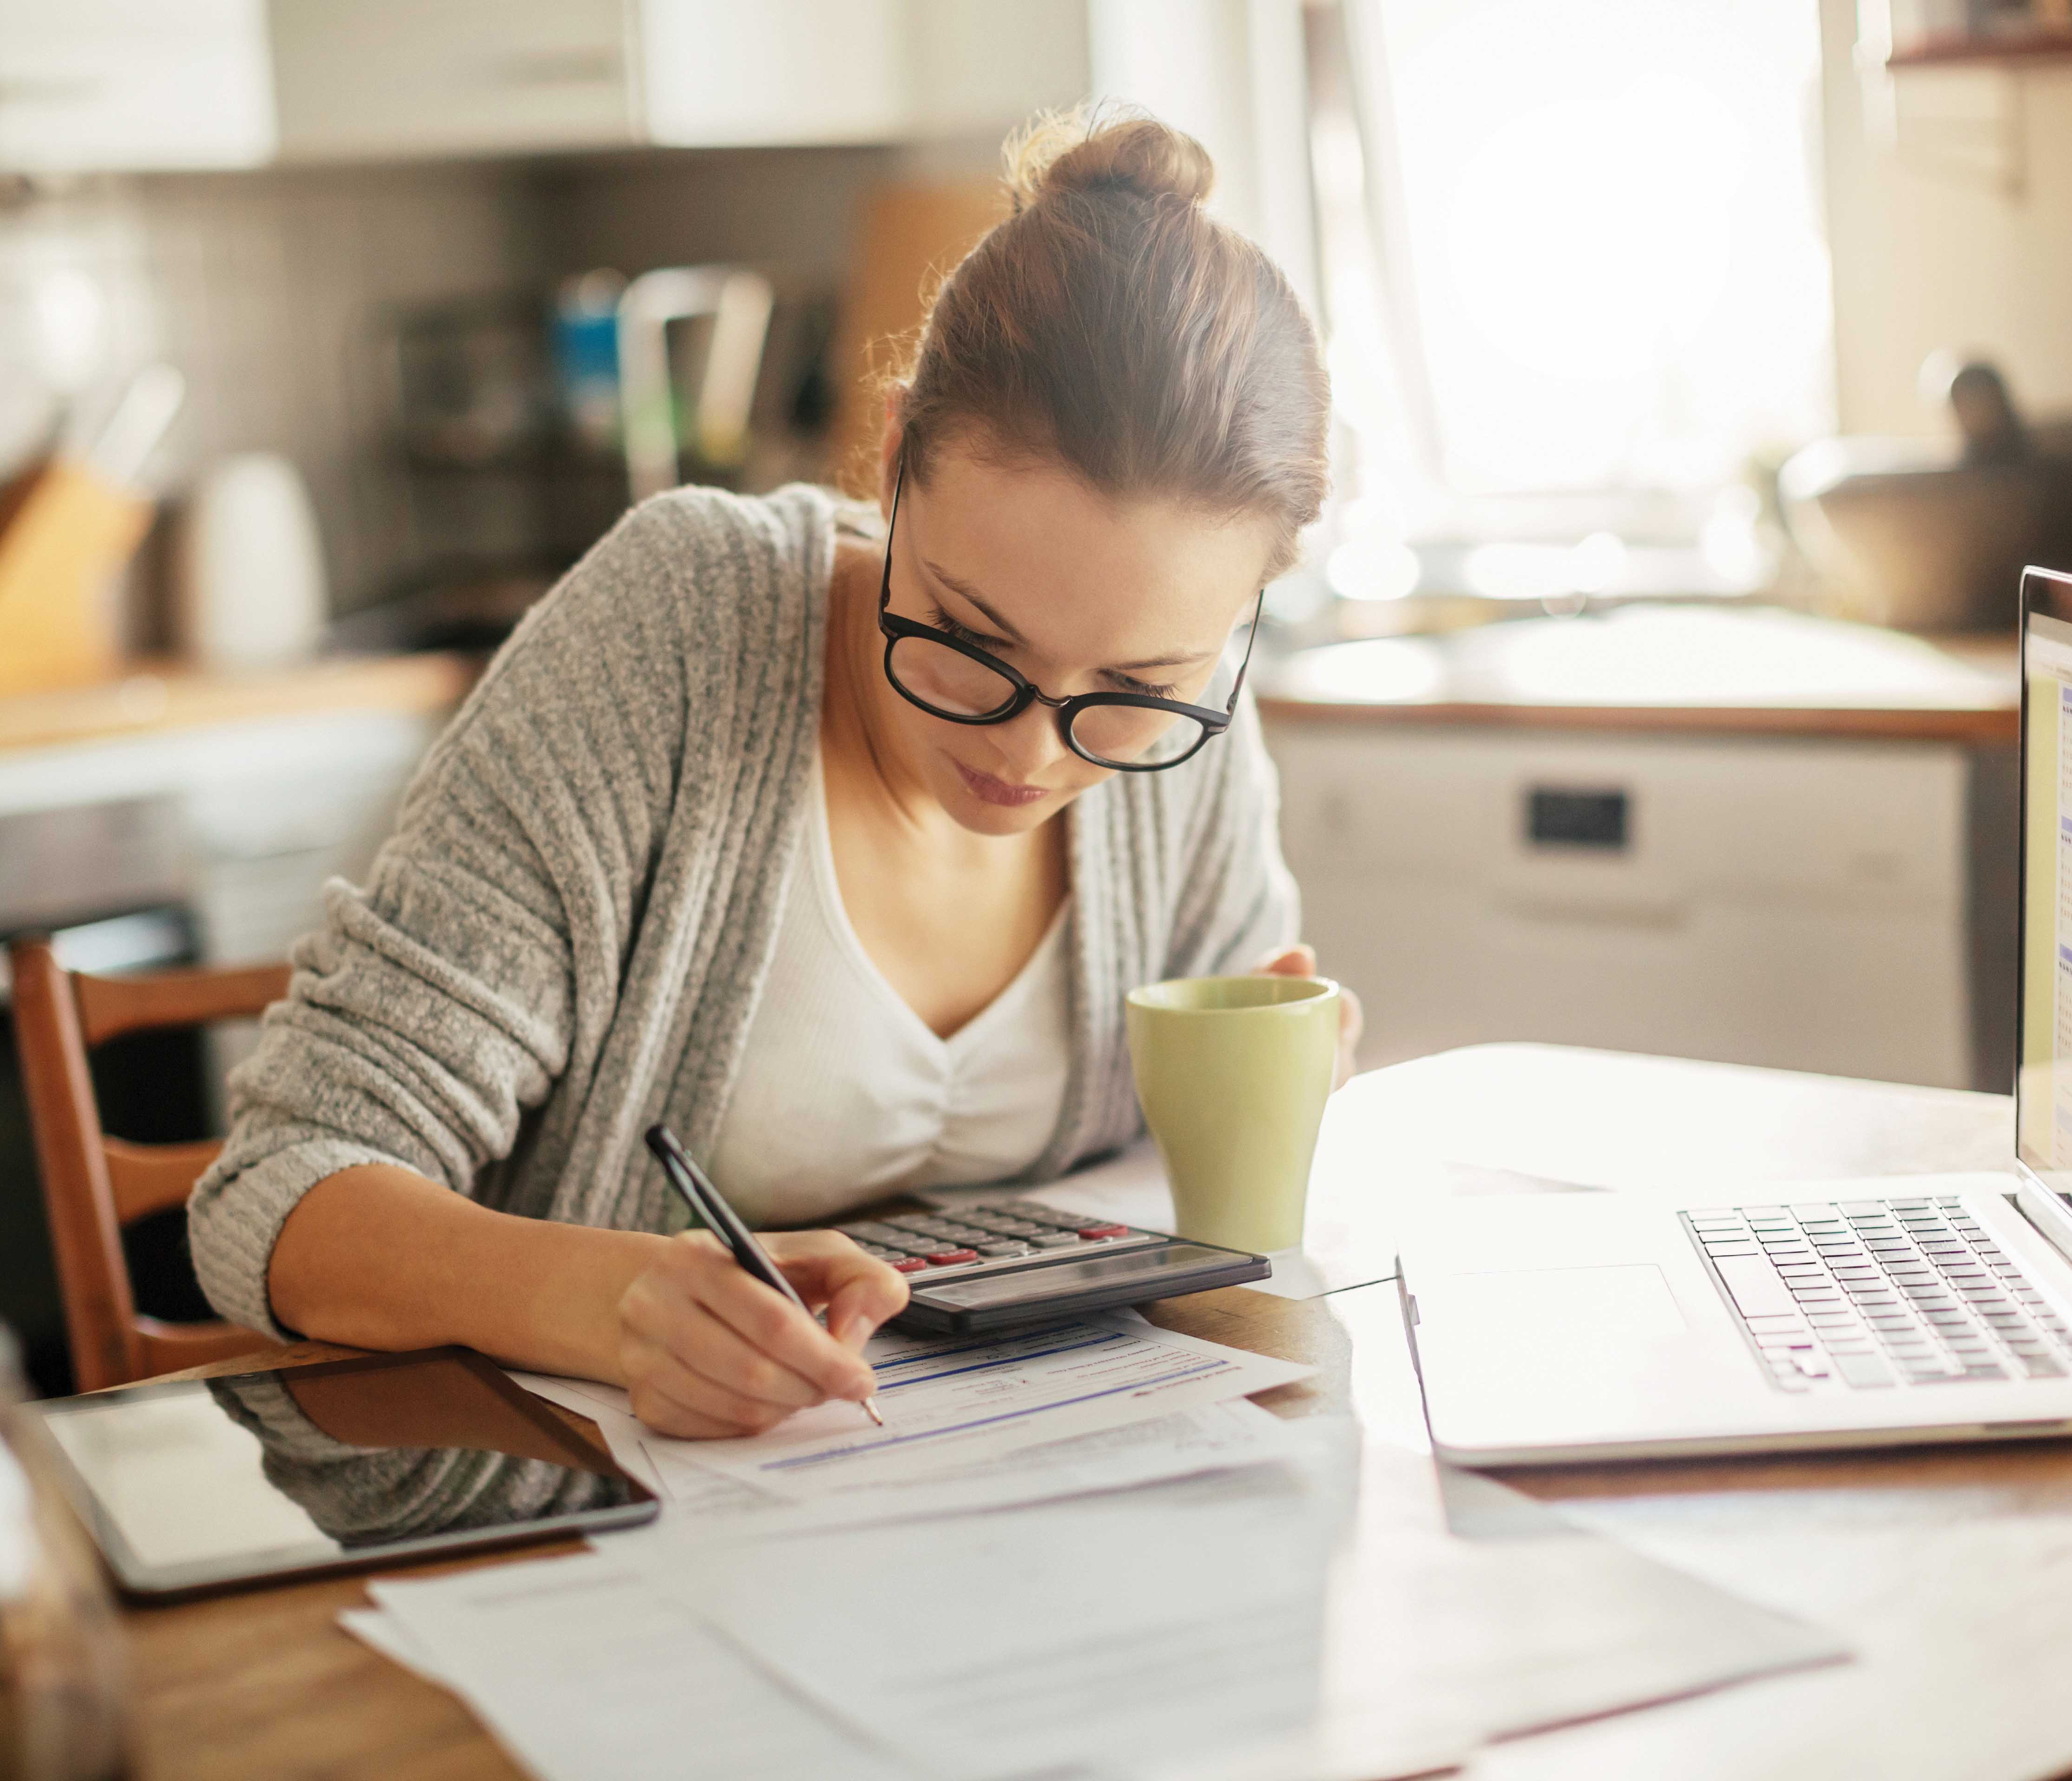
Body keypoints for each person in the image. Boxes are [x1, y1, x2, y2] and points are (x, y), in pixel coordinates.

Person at [189, 110, 1355, 1440]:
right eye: (974, 642)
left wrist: (1275, 1075)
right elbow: (276, 1195)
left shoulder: (1192, 714)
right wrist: (609, 1300)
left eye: (1140, 688)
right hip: (604, 1519)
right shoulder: (685, 630)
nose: (1034, 750)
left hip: (1012, 1495)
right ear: (898, 450)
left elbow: (1198, 1187)